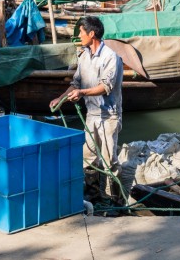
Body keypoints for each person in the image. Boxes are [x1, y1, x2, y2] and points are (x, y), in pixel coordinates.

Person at [49, 16, 124, 205]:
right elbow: (76, 83)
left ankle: (114, 202)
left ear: (92, 34)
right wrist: (62, 98)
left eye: (81, 32)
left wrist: (82, 92)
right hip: (92, 115)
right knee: (88, 158)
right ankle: (93, 197)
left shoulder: (110, 57)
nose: (79, 36)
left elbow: (105, 86)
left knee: (109, 161)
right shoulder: (83, 55)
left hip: (109, 116)